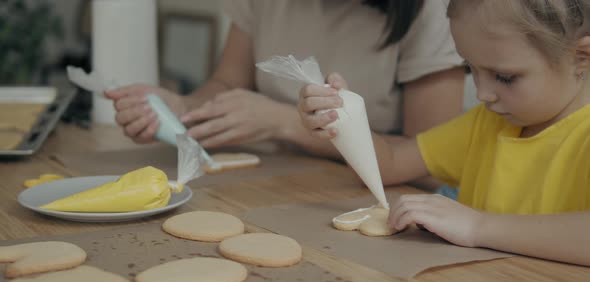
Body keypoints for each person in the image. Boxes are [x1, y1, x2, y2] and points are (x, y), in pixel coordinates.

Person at [298, 0, 590, 266]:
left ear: (581, 56)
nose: (482, 93)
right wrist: (345, 119)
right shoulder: (486, 123)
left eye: (504, 77)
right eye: (471, 69)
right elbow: (390, 164)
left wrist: (478, 227)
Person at [104, 0, 465, 163]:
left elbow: (434, 161)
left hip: (368, 202)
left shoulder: (435, 11)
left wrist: (287, 124)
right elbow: (228, 82)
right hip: (265, 182)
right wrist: (184, 109)